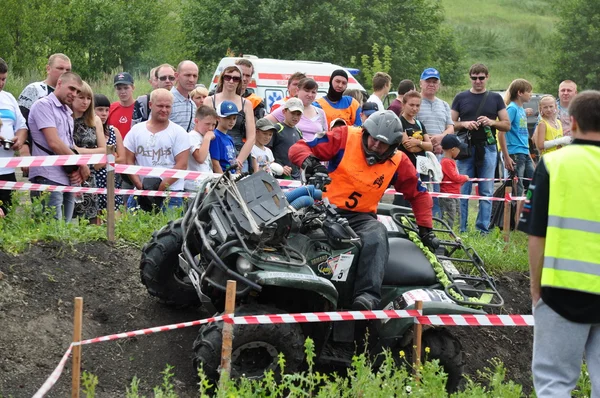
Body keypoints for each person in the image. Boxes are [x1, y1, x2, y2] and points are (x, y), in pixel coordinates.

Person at [289, 110, 434, 311]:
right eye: (372, 139)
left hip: (361, 217)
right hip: (323, 207)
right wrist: (310, 163)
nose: (375, 145)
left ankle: (367, 296)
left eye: (382, 144)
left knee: (377, 234)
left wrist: (426, 228)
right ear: (366, 132)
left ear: (392, 147)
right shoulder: (345, 136)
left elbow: (418, 194)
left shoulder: (399, 161)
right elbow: (300, 147)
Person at [518, 90, 600, 397]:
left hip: (561, 291)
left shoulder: (555, 165)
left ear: (572, 122)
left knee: (554, 383)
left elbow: (536, 233)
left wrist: (535, 287)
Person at [451, 63, 510, 234]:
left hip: (488, 148)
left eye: (481, 78)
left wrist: (491, 122)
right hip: (465, 148)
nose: (478, 81)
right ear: (470, 78)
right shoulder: (461, 97)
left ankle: (483, 229)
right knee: (464, 189)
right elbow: (450, 124)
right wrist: (464, 124)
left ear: (487, 77)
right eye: (474, 78)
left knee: (486, 190)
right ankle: (461, 229)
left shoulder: (495, 98)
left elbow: (507, 125)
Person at [28, 72, 89, 222]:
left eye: (77, 91)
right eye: (72, 89)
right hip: (47, 175)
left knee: (64, 233)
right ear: (60, 83)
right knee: (51, 233)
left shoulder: (67, 112)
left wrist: (76, 168)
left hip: (66, 176)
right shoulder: (43, 105)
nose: (74, 94)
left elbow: (68, 145)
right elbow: (54, 142)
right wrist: (81, 163)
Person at [124, 88, 189, 210]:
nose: (164, 110)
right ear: (150, 105)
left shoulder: (179, 133)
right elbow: (129, 161)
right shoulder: (136, 130)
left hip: (171, 193)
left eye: (168, 106)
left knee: (170, 228)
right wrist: (140, 186)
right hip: (140, 191)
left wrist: (160, 189)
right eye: (160, 106)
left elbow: (181, 165)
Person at [17, 53, 72, 173]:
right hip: (41, 156)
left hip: (66, 157)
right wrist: (24, 150)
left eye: (68, 69)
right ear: (48, 69)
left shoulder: (71, 94)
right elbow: (21, 121)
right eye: (60, 68)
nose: (64, 72)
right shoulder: (34, 89)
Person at [417, 67, 454, 218]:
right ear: (421, 83)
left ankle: (437, 221)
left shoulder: (444, 104)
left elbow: (451, 127)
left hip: (439, 154)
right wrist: (427, 140)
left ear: (439, 84)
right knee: (421, 190)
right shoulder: (415, 102)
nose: (431, 84)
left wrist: (441, 137)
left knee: (438, 190)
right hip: (420, 154)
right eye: (428, 81)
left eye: (434, 81)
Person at [204, 65, 256, 171]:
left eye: (236, 78)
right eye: (228, 77)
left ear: (239, 82)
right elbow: (203, 129)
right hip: (215, 150)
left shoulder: (246, 104)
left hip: (238, 152)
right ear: (222, 79)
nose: (231, 81)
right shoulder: (209, 100)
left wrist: (239, 161)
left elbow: (251, 137)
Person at [71, 82, 106, 221]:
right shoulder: (65, 118)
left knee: (90, 218)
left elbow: (104, 150)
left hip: (90, 175)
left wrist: (78, 151)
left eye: (88, 98)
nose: (85, 102)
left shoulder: (95, 120)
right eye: (81, 97)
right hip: (70, 173)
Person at [498, 79, 534, 208]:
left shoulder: (520, 109)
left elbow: (523, 135)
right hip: (515, 152)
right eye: (529, 92)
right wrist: (506, 156)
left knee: (533, 183)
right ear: (520, 92)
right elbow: (501, 132)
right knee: (516, 188)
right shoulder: (512, 109)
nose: (530, 95)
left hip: (524, 152)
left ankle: (527, 214)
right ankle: (513, 220)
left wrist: (529, 154)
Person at [394, 90, 433, 206]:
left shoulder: (420, 124)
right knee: (403, 202)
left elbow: (430, 146)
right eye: (411, 105)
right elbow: (409, 147)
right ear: (404, 104)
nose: (414, 108)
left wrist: (417, 142)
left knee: (421, 201)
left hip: (422, 169)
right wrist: (422, 144)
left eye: (417, 105)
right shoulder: (399, 122)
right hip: (406, 168)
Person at [0, 58, 28, 217]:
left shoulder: (9, 98)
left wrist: (19, 139)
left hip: (7, 169)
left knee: (7, 215)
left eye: (4, 79)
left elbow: (22, 126)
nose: (1, 83)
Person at [93, 94, 125, 212]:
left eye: (107, 110)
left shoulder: (113, 131)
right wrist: (112, 156)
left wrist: (101, 163)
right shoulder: (88, 133)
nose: (104, 113)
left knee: (115, 220)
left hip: (112, 181)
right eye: (100, 110)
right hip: (94, 182)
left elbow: (122, 158)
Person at [267, 98, 304, 179]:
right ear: (284, 112)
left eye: (298, 114)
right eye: (293, 113)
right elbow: (266, 151)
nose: (295, 117)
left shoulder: (299, 132)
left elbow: (300, 155)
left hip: (295, 176)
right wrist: (279, 167)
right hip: (278, 175)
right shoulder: (277, 128)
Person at [439, 135, 469, 228]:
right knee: (450, 217)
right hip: (448, 195)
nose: (460, 151)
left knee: (456, 216)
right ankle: (449, 234)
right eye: (458, 149)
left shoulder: (450, 161)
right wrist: (464, 178)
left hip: (455, 193)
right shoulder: (446, 162)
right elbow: (454, 177)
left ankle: (454, 233)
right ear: (453, 149)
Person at [185, 105, 217, 192]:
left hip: (205, 184)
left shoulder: (202, 136)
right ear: (196, 121)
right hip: (195, 185)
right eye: (207, 124)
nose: (210, 128)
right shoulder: (192, 136)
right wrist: (207, 139)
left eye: (213, 124)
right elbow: (200, 158)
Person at [209, 100, 241, 173]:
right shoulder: (215, 136)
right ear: (218, 118)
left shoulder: (229, 138)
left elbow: (233, 160)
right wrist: (222, 180)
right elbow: (215, 163)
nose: (232, 121)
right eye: (228, 118)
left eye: (234, 118)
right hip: (224, 177)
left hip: (232, 176)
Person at [170, 60, 198, 132]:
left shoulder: (193, 105)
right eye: (187, 75)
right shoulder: (167, 101)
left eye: (195, 76)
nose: (191, 79)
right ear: (176, 76)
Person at [108, 72, 135, 139]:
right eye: (119, 89)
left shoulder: (140, 108)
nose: (122, 92)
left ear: (133, 88)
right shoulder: (110, 108)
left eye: (126, 88)